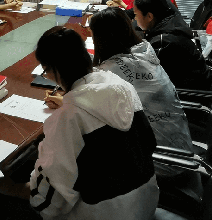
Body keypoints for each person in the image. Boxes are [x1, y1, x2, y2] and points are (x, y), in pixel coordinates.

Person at [30, 26, 158, 219]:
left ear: (54, 69)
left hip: (104, 214)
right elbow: (149, 142)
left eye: (46, 71)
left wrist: (14, 188)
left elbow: (50, 201)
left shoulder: (68, 118)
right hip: (146, 202)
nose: (46, 76)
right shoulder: (123, 87)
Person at [88, 7, 193, 177]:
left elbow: (87, 109)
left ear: (101, 39)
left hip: (161, 161)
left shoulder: (112, 71)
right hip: (180, 148)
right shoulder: (144, 51)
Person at [133, 0, 211, 89]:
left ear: (149, 16)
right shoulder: (172, 23)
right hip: (193, 84)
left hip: (190, 93)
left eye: (136, 15)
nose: (135, 19)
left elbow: (149, 78)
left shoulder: (163, 41)